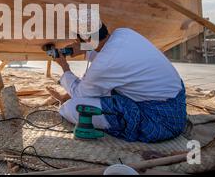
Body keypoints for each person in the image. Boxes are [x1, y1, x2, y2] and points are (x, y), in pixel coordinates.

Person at [48, 24, 187, 143]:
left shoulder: (106, 63)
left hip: (160, 119)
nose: (76, 43)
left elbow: (79, 94)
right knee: (96, 84)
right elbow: (108, 53)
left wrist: (64, 66)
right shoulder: (124, 32)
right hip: (174, 101)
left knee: (71, 108)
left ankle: (65, 103)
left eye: (78, 40)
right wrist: (84, 48)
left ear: (87, 39)